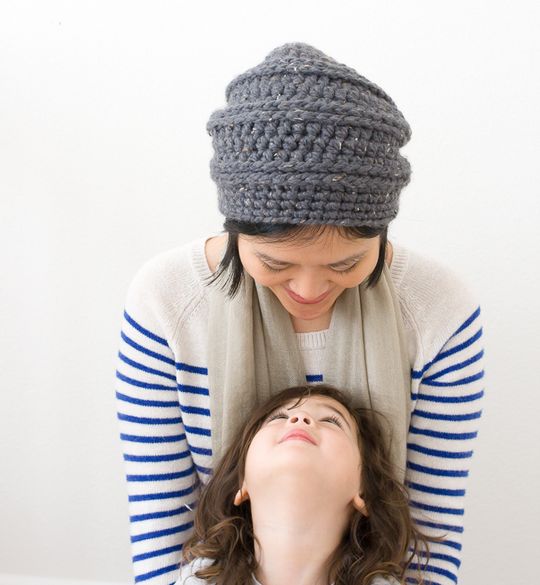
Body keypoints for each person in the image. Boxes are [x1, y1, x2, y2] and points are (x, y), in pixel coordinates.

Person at [115, 42, 484, 585]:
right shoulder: (166, 302)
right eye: (275, 262)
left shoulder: (438, 311)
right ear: (237, 233)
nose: (309, 288)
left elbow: (428, 545)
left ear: (382, 233)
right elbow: (161, 539)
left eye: (345, 263)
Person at [176, 384, 431, 585]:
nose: (300, 418)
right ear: (242, 484)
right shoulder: (202, 578)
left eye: (332, 421)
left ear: (362, 490)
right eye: (278, 417)